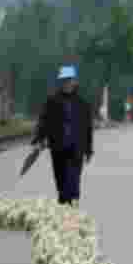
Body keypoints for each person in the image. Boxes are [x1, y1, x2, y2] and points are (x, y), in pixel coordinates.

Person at [31, 65, 94, 206]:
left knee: (73, 179)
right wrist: (38, 139)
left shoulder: (82, 103)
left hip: (76, 147)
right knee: (60, 179)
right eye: (64, 80)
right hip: (58, 147)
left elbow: (88, 128)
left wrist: (89, 149)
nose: (66, 83)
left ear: (74, 81)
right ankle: (63, 203)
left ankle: (73, 203)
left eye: (69, 80)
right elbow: (44, 121)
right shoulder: (52, 101)